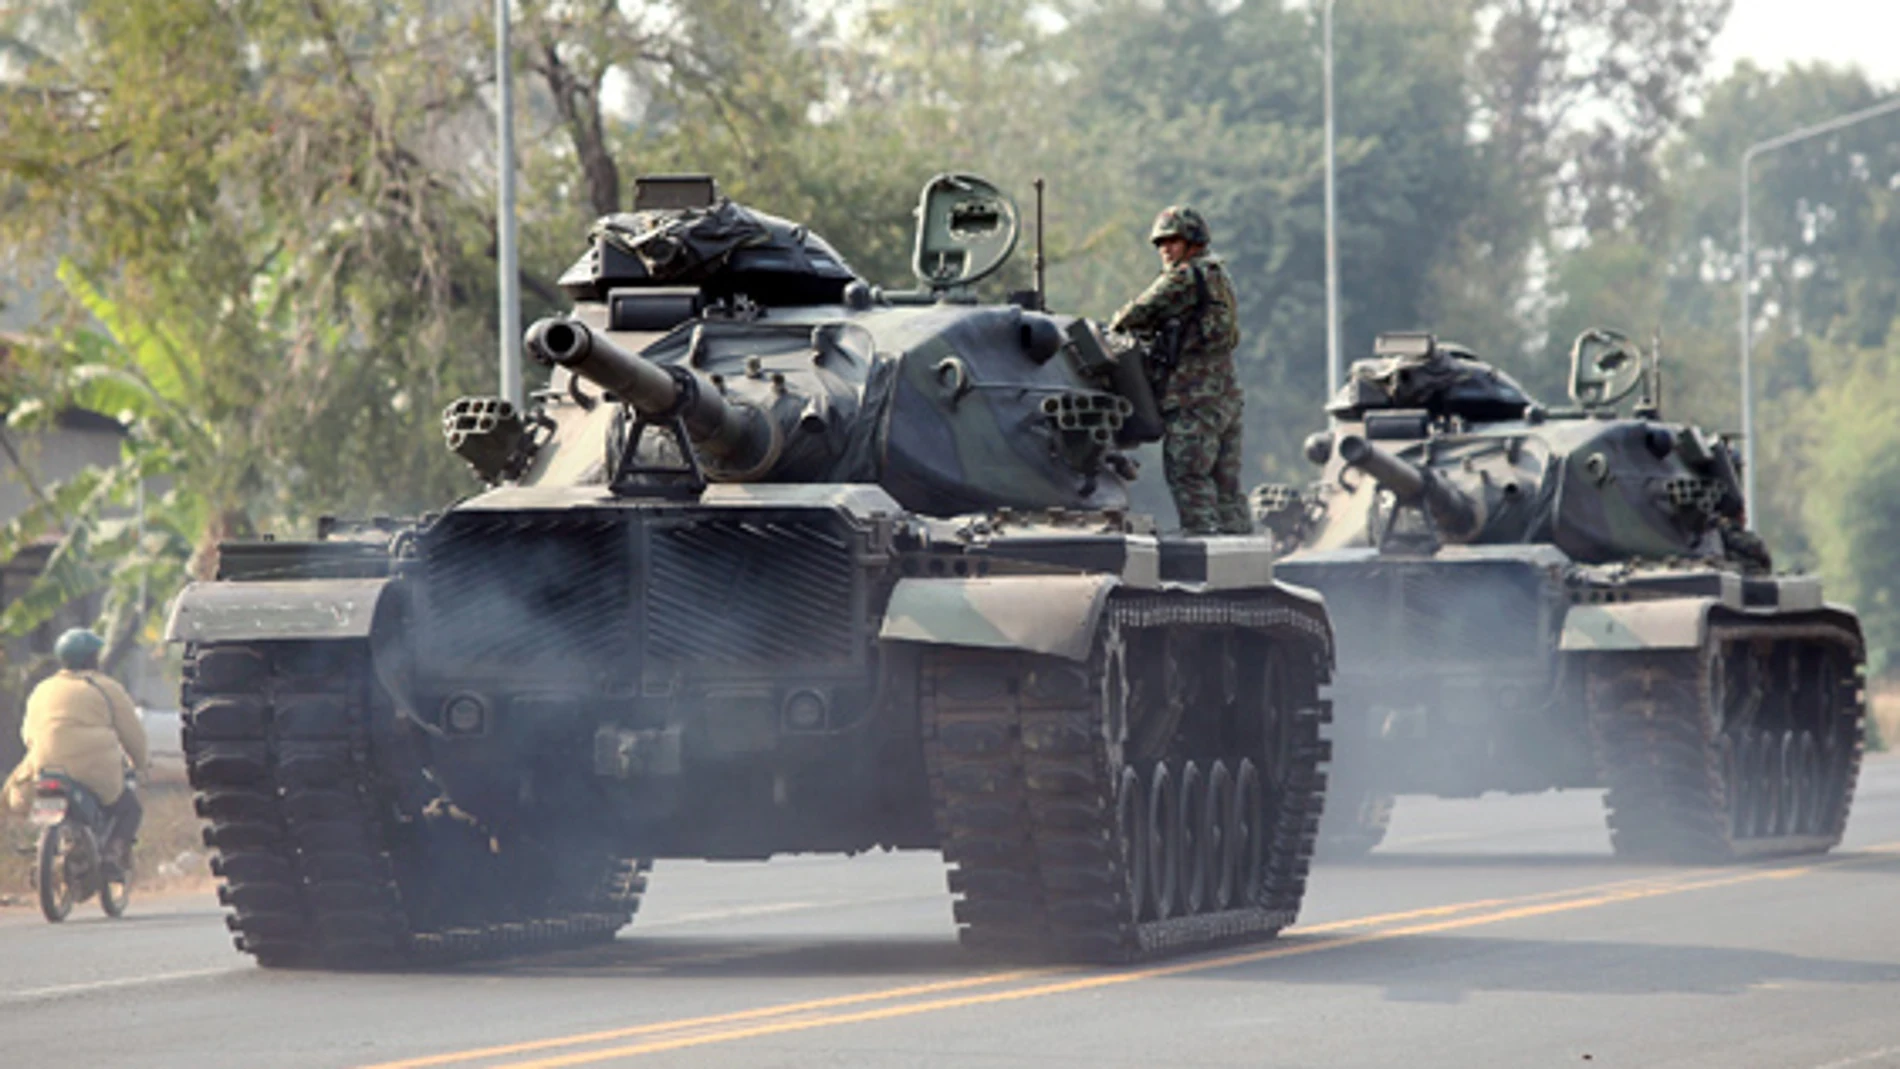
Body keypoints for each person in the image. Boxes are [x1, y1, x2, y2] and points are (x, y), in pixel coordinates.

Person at [1108, 205, 1250, 535]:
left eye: (1172, 241)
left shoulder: (1185, 277)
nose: (1165, 249)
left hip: (1192, 397)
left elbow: (1132, 316)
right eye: (1160, 243)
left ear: (1193, 242)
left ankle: (1202, 542)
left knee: (1187, 473)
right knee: (1226, 484)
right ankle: (1240, 551)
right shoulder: (1219, 275)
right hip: (1226, 396)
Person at [4, 628, 148, 874]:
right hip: (93, 773)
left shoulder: (43, 689)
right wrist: (140, 763)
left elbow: (28, 733)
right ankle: (113, 854)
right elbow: (132, 734)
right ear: (93, 658)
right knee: (129, 808)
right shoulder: (107, 688)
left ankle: (44, 847)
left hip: (45, 767)